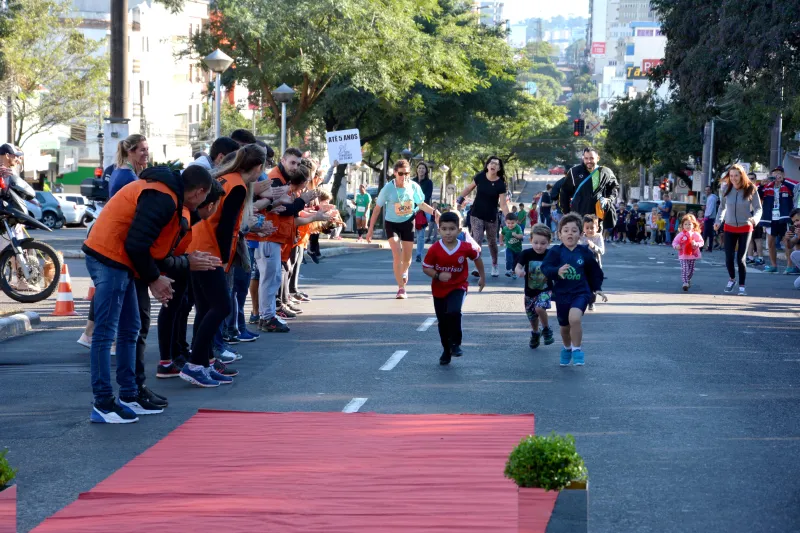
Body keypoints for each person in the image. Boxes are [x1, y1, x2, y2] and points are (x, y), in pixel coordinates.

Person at [82, 164, 212, 422]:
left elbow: (150, 249)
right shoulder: (164, 197)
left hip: (119, 259)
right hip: (110, 257)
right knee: (106, 333)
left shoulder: (168, 195)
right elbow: (138, 244)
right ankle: (103, 403)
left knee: (130, 329)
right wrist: (154, 279)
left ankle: (129, 394)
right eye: (206, 197)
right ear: (199, 192)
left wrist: (157, 276)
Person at [181, 144, 266, 387]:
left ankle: (204, 362)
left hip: (198, 244)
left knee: (206, 308)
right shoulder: (237, 186)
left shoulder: (226, 178)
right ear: (257, 167)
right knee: (221, 306)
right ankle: (195, 364)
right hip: (209, 249)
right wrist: (225, 258)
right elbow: (226, 225)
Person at [156, 179, 226, 377]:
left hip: (182, 260)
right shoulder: (185, 215)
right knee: (175, 306)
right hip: (180, 260)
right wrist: (157, 276)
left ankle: (184, 358)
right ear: (209, 204)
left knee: (183, 306)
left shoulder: (187, 213)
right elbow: (162, 248)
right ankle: (182, 361)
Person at [366, 159, 440, 299]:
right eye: (401, 173)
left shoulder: (413, 186)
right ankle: (401, 288)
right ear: (395, 173)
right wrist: (370, 229)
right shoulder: (388, 188)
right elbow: (377, 209)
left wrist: (435, 213)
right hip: (391, 223)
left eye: (407, 173)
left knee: (407, 258)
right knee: (397, 255)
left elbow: (421, 204)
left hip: (408, 222)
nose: (404, 176)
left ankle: (404, 271)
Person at [541, 212, 607, 367]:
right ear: (560, 234)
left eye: (574, 230)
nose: (570, 233)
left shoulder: (585, 252)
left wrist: (597, 288)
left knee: (575, 319)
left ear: (580, 235)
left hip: (580, 292)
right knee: (564, 327)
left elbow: (595, 271)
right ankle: (567, 348)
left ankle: (577, 350)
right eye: (566, 230)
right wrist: (556, 271)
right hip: (562, 294)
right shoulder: (555, 252)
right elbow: (545, 267)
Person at [421, 211, 485, 365]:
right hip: (439, 289)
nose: (448, 232)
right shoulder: (435, 249)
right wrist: (437, 275)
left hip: (458, 286)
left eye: (452, 229)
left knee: (454, 311)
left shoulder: (465, 247)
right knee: (443, 322)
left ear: (459, 230)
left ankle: (456, 344)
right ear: (439, 230)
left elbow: (477, 258)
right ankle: (446, 349)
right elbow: (426, 267)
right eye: (444, 229)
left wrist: (482, 277)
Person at [456, 156, 511, 278]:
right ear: (487, 165)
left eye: (496, 164)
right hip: (476, 214)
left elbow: (503, 204)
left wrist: (508, 218)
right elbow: (468, 188)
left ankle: (495, 264)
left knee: (492, 242)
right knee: (477, 239)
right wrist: (459, 199)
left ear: (499, 168)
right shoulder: (480, 176)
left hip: (491, 216)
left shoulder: (500, 184)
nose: (493, 165)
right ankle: (477, 266)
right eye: (491, 163)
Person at [714, 164, 762, 296]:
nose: (733, 178)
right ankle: (732, 279)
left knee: (741, 258)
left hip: (745, 227)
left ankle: (742, 286)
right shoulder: (726, 188)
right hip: (729, 226)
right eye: (731, 175)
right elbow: (722, 207)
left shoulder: (751, 188)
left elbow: (758, 208)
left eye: (736, 175)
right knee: (728, 258)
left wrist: (755, 219)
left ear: (742, 175)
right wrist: (718, 221)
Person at [558, 147, 619, 232]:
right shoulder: (574, 172)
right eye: (586, 158)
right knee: (579, 239)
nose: (589, 161)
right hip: (578, 216)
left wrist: (608, 199)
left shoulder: (605, 171)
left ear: (598, 158)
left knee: (596, 239)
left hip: (597, 217)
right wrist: (567, 213)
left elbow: (614, 187)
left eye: (591, 158)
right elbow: (564, 192)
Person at [515, 223, 555, 350]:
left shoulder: (551, 254)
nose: (539, 246)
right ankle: (535, 333)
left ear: (549, 242)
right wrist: (519, 272)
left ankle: (546, 329)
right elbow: (518, 267)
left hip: (545, 290)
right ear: (530, 240)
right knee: (532, 317)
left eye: (543, 243)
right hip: (529, 292)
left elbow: (557, 268)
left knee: (539, 308)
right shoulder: (526, 254)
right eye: (536, 242)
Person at [757, 166, 796, 273]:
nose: (776, 175)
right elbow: (755, 194)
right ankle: (773, 266)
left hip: (784, 218)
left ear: (783, 174)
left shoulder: (787, 184)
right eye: (774, 173)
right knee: (770, 243)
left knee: (786, 241)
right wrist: (761, 185)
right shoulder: (767, 186)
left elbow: (797, 187)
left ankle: (790, 266)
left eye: (779, 173)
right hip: (771, 219)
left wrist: (784, 181)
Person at [578, 214, 605, 311]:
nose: (589, 230)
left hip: (595, 265)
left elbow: (602, 251)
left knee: (593, 284)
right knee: (583, 283)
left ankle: (591, 302)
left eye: (592, 228)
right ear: (583, 228)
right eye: (587, 228)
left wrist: (594, 246)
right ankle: (583, 300)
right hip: (583, 264)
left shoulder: (598, 237)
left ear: (597, 228)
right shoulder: (581, 237)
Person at [672, 213, 704, 291]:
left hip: (692, 255)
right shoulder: (680, 234)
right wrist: (676, 246)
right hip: (683, 255)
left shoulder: (696, 234)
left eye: (689, 224)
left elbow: (701, 242)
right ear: (682, 225)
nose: (687, 226)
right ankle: (685, 283)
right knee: (685, 268)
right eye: (685, 224)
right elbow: (674, 242)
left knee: (691, 270)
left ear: (693, 225)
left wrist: (696, 244)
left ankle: (688, 279)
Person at [500, 212, 524, 279]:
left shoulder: (518, 228)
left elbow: (521, 236)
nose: (510, 225)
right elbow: (501, 235)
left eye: (512, 223)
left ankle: (514, 272)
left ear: (516, 222)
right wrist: (501, 241)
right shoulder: (505, 228)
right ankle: (508, 270)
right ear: (505, 222)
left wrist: (516, 235)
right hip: (509, 247)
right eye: (508, 223)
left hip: (518, 248)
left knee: (516, 261)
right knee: (509, 258)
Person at [786, 208, 800, 289]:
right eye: (794, 222)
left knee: (794, 254)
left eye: (797, 220)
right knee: (797, 284)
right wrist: (787, 239)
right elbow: (790, 246)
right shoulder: (797, 230)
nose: (795, 224)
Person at [703, 186, 719, 252]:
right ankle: (709, 248)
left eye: (708, 190)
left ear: (711, 190)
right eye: (706, 190)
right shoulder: (711, 197)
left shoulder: (711, 198)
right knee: (710, 233)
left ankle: (701, 247)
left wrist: (707, 216)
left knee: (706, 233)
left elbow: (710, 208)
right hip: (710, 217)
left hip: (709, 217)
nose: (707, 191)